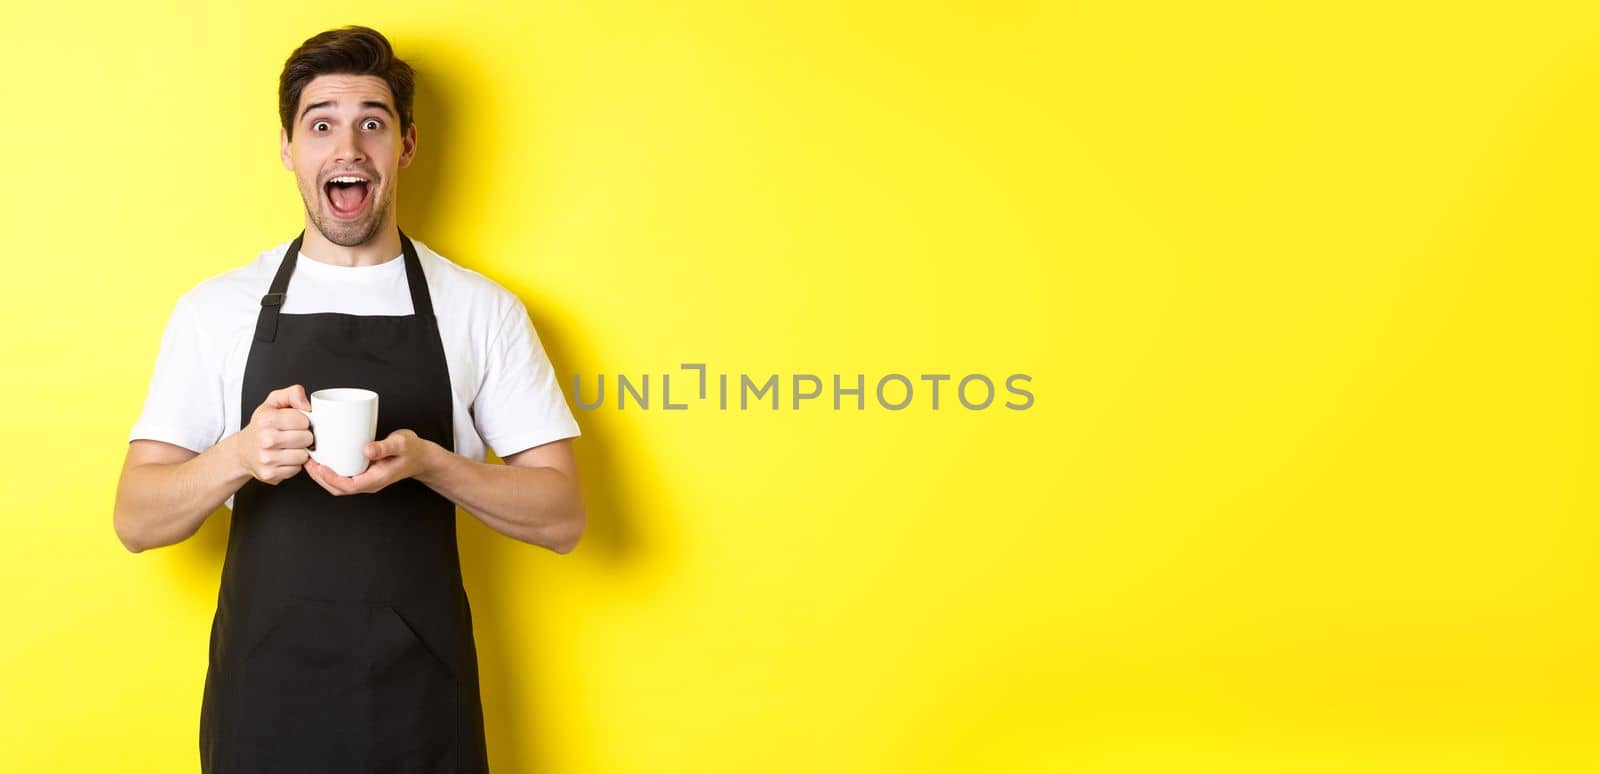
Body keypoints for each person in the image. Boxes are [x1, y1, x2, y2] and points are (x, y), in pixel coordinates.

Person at [111, 25, 586, 773]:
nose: (348, 146)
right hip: (262, 702)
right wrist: (239, 455)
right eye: (321, 123)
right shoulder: (216, 309)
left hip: (421, 704)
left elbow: (563, 517)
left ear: (406, 145)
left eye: (373, 121)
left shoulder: (480, 309)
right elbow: (136, 521)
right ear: (289, 148)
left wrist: (430, 463)